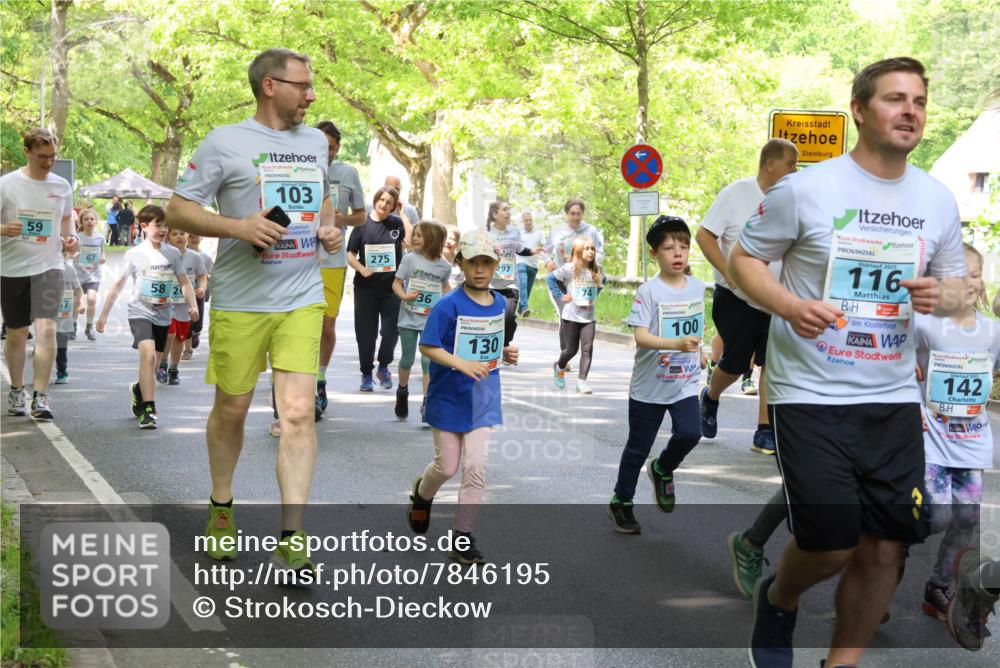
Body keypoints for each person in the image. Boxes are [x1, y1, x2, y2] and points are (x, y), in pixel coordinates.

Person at [732, 57, 967, 668]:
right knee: (832, 544)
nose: (910, 110)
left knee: (887, 549)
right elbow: (745, 259)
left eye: (918, 100)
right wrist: (789, 305)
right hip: (809, 392)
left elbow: (956, 295)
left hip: (891, 396)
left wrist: (944, 299)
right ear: (860, 110)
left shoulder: (937, 201)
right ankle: (779, 597)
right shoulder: (806, 190)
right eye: (894, 98)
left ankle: (841, 663)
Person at [165, 47, 343, 573]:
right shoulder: (225, 141)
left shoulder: (315, 142)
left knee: (296, 413)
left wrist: (330, 230)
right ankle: (222, 506)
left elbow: (321, 202)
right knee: (233, 409)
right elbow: (178, 207)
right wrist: (238, 227)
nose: (311, 95)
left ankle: (293, 533)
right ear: (271, 86)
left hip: (301, 296)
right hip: (242, 300)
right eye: (303, 85)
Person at [406, 230, 519, 564]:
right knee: (447, 466)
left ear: (497, 265)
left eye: (487, 263)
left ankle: (462, 537)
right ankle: (422, 495)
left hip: (483, 398)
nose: (480, 270)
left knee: (475, 469)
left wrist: (506, 354)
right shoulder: (448, 305)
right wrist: (460, 363)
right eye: (473, 263)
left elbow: (493, 346)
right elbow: (427, 345)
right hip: (449, 398)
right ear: (460, 264)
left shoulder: (500, 304)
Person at [694, 138, 799, 456]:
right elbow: (704, 235)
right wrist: (727, 270)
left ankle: (764, 430)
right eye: (791, 163)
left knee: (772, 362)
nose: (796, 169)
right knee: (737, 363)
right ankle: (710, 396)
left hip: (775, 297)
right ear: (771, 164)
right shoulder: (736, 194)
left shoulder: (795, 200)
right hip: (735, 295)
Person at [914, 242, 998, 620]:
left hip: (973, 441)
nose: (968, 283)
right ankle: (885, 552)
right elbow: (893, 358)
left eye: (975, 275)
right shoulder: (925, 324)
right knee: (938, 515)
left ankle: (940, 586)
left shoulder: (993, 332)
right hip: (930, 437)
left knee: (967, 519)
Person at [607, 216, 706, 534]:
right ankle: (621, 502)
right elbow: (641, 337)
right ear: (654, 254)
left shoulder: (697, 287)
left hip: (684, 382)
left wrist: (698, 351)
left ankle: (664, 467)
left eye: (684, 246)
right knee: (637, 448)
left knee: (691, 433)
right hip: (649, 386)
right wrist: (675, 343)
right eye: (668, 247)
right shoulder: (649, 291)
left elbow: (695, 327)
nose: (677, 253)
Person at [95, 205, 198, 428]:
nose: (163, 230)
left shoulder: (172, 253)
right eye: (157, 225)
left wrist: (193, 306)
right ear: (144, 226)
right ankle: (149, 409)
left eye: (165, 226)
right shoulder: (134, 254)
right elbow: (117, 285)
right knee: (148, 355)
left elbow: (184, 283)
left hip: (164, 313)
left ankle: (139, 389)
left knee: (154, 363)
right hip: (140, 311)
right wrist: (103, 315)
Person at [1, 128, 78, 421]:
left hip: (50, 266)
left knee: (47, 329)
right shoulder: (7, 185)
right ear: (27, 152)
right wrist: (4, 229)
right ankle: (18, 388)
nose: (48, 162)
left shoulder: (62, 186)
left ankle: (41, 395)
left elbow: (67, 221)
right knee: (17, 334)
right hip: (11, 268)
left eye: (53, 156)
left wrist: (71, 240)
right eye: (42, 157)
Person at [314, 120, 366, 417]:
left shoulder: (347, 173)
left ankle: (319, 378)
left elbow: (361, 217)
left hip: (332, 261)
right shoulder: (302, 168)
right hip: (300, 258)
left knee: (327, 325)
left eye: (331, 148)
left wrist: (339, 220)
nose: (326, 152)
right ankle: (297, 382)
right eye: (321, 146)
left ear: (338, 148)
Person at [347, 185, 410, 392]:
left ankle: (383, 367)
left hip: (391, 288)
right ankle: (366, 373)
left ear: (393, 206)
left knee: (391, 332)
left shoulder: (396, 222)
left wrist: (402, 213)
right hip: (365, 289)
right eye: (381, 200)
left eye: (389, 202)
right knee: (366, 333)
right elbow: (350, 254)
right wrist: (362, 269)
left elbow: (410, 241)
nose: (383, 204)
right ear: (375, 200)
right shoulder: (362, 223)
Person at [392, 220, 452, 421]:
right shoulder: (409, 259)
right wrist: (404, 296)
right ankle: (402, 392)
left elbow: (445, 288)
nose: (414, 238)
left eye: (419, 235)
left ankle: (427, 402)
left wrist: (454, 304)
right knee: (407, 359)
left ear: (432, 239)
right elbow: (396, 283)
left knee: (428, 362)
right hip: (408, 317)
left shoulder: (444, 266)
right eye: (414, 235)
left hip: (430, 320)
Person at [545, 198, 605, 353]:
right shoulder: (557, 230)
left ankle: (572, 347)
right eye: (572, 213)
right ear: (566, 214)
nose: (576, 217)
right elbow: (546, 250)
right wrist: (547, 262)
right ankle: (565, 352)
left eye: (579, 213)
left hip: (581, 280)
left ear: (582, 214)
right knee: (564, 314)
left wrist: (590, 265)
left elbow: (600, 253)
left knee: (579, 314)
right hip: (561, 277)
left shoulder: (590, 230)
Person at [547, 236, 602, 394]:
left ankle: (581, 383)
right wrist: (560, 294)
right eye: (586, 248)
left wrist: (590, 299)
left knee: (588, 349)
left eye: (592, 249)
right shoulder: (569, 268)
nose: (590, 252)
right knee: (571, 350)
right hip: (571, 317)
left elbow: (599, 286)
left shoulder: (597, 270)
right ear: (578, 251)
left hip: (588, 318)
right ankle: (559, 366)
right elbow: (550, 278)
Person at [486, 200, 540, 351]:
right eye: (504, 210)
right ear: (495, 214)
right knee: (491, 318)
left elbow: (520, 249)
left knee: (509, 318)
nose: (508, 212)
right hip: (491, 284)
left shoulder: (514, 232)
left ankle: (504, 345)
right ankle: (493, 348)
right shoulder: (487, 234)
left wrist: (533, 251)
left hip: (510, 283)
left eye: (509, 209)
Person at [156, 227, 206, 385]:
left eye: (183, 233)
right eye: (174, 234)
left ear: (188, 237)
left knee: (179, 338)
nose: (179, 237)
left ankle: (173, 369)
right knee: (169, 334)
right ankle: (162, 364)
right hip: (166, 303)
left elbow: (202, 275)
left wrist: (202, 288)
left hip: (184, 306)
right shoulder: (162, 255)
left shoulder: (194, 257)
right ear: (168, 238)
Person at [73, 208, 106, 341]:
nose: (89, 221)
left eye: (92, 219)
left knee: (92, 299)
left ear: (96, 221)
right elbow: (71, 253)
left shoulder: (100, 238)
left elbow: (102, 252)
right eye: (86, 219)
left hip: (94, 274)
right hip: (79, 273)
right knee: (77, 303)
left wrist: (103, 258)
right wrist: (78, 254)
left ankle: (89, 327)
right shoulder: (77, 237)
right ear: (82, 222)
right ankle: (73, 326)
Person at [55, 250, 83, 384]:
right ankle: (40, 372)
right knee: (46, 346)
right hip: (47, 317)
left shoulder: (69, 268)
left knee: (61, 348)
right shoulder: (42, 268)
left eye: (63, 252)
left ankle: (62, 371)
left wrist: (80, 304)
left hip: (65, 317)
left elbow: (78, 289)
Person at [183, 233, 212, 357]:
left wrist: (205, 279)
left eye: (196, 235)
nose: (193, 238)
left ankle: (196, 332)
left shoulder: (205, 256)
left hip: (199, 293)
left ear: (202, 238)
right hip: (183, 294)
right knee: (186, 321)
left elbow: (211, 273)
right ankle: (187, 349)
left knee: (197, 322)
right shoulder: (182, 255)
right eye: (190, 235)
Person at [515, 211, 544, 316]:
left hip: (533, 265)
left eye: (530, 220)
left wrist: (547, 260)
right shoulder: (519, 234)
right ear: (523, 222)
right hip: (521, 262)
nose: (528, 222)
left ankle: (520, 309)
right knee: (523, 283)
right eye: (526, 220)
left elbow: (544, 248)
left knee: (527, 289)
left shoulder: (539, 233)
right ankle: (524, 307)